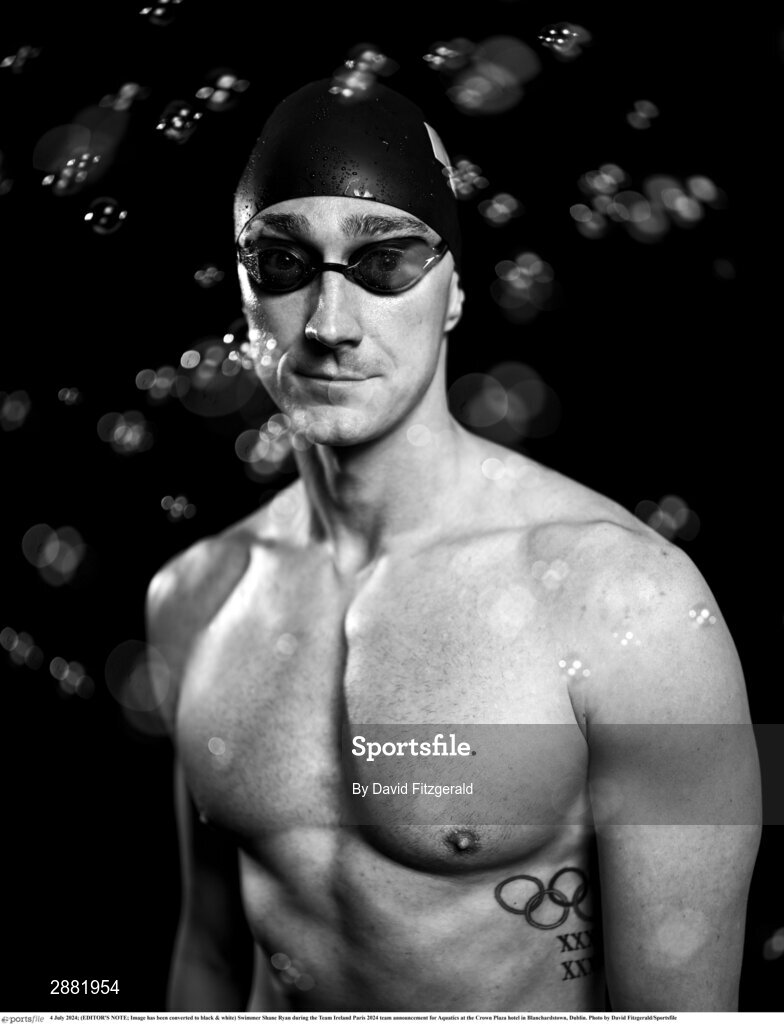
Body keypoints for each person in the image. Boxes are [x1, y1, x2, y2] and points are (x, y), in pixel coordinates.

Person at [146, 78, 761, 1012]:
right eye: (281, 261)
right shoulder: (192, 598)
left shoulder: (630, 603)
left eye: (385, 262)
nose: (330, 324)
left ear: (455, 295)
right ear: (243, 288)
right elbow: (208, 963)